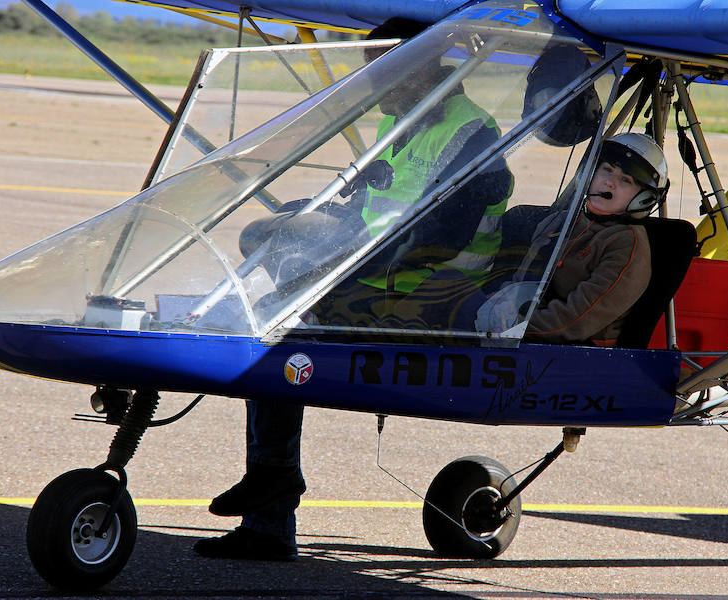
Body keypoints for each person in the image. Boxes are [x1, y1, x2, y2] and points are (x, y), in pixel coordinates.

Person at [193, 17, 512, 561]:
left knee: (278, 327)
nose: (373, 82)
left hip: (435, 287)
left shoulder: (470, 133)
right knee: (265, 254)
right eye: (372, 68)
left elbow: (439, 235)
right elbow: (375, 212)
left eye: (385, 69)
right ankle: (271, 507)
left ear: (424, 67)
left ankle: (272, 502)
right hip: (382, 271)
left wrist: (330, 264)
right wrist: (316, 224)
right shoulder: (401, 121)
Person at [476, 132, 669, 346]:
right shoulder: (559, 222)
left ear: (643, 198)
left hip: (576, 350)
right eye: (607, 169)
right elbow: (522, 281)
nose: (609, 182)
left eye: (625, 180)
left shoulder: (626, 244)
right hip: (525, 331)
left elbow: (575, 322)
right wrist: (499, 303)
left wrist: (514, 325)